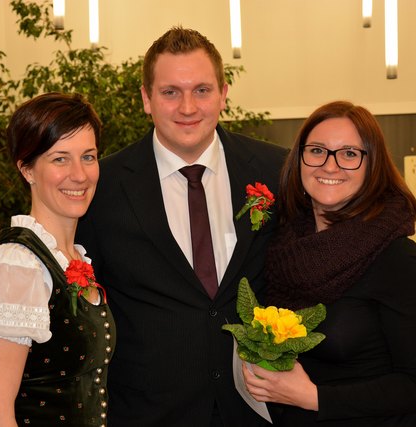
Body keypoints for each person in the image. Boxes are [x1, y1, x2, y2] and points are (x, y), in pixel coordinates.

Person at [76, 27, 287, 426]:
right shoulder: (102, 187)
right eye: (170, 92)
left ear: (223, 94)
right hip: (147, 414)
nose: (187, 107)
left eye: (202, 90)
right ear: (146, 99)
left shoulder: (277, 170)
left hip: (256, 410)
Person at [242, 100, 416, 426]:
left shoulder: (396, 258)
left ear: (372, 166)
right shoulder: (281, 247)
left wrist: (313, 397)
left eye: (349, 154)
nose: (330, 166)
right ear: (299, 160)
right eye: (317, 151)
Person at [0, 92, 114, 426]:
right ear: (27, 169)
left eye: (88, 156)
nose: (79, 174)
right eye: (60, 159)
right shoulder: (14, 267)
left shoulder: (71, 258)